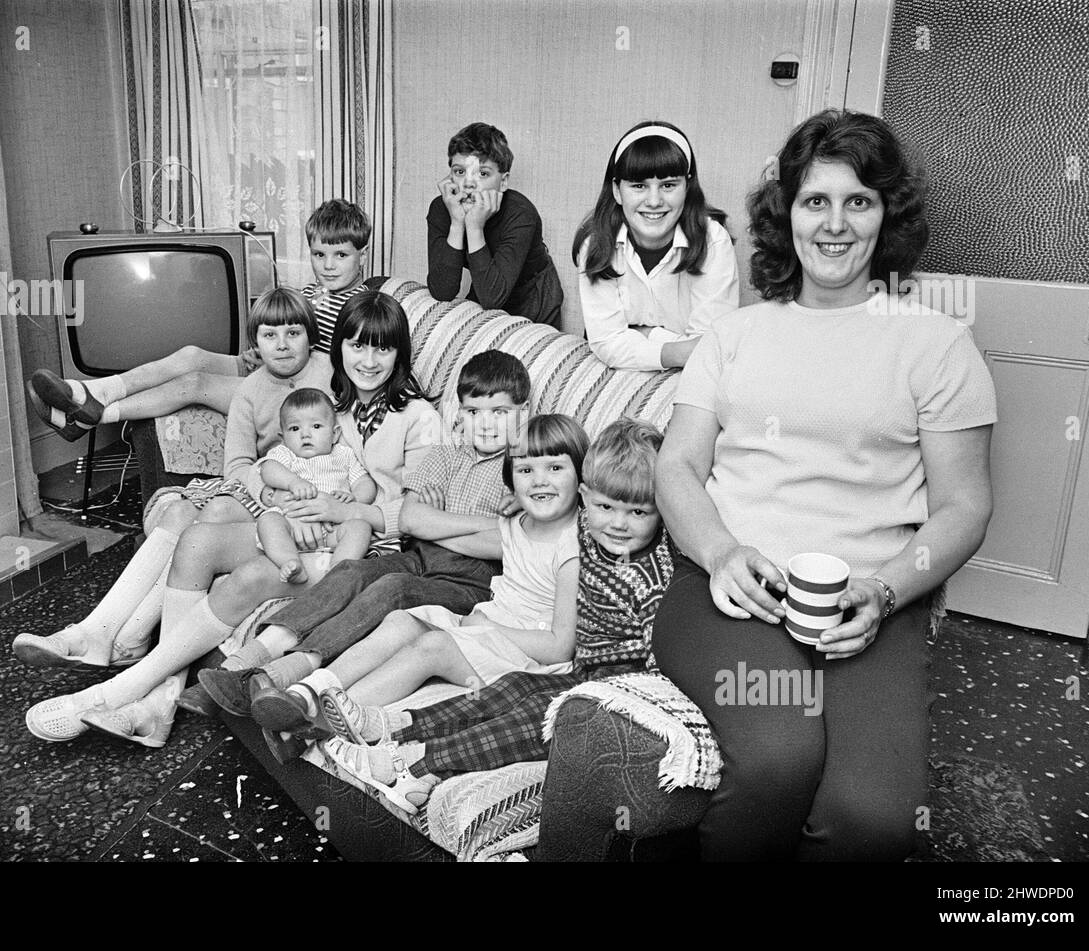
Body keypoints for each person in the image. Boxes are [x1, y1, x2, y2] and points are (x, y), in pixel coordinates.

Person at [651, 109, 997, 860]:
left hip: (873, 601)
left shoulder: (938, 344)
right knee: (779, 756)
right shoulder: (733, 335)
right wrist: (718, 552)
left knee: (875, 817)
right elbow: (675, 465)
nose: (835, 224)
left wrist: (881, 594)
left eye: (858, 201)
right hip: (730, 592)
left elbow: (965, 506)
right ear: (787, 214)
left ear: (887, 214)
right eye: (815, 201)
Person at [22, 290, 441, 746]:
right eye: (357, 345)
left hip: (362, 545)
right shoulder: (331, 401)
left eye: (383, 347)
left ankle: (114, 693)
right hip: (297, 519)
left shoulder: (418, 417)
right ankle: (148, 691)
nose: (368, 360)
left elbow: (418, 513)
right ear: (337, 348)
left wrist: (344, 510)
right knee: (198, 538)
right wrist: (282, 504)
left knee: (246, 567)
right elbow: (275, 457)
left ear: (401, 354)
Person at [320, 418, 673, 813]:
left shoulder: (642, 569)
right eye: (606, 507)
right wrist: (524, 503)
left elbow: (649, 652)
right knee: (511, 690)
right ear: (587, 499)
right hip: (577, 668)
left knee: (532, 715)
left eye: (638, 512)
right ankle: (392, 726)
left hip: (609, 683)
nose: (619, 523)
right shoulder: (586, 536)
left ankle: (414, 763)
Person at [195, 350, 533, 729]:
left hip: (472, 581)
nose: (485, 424)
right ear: (460, 414)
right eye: (473, 412)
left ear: (524, 411)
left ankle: (288, 673)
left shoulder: (524, 469)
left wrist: (438, 523)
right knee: (353, 571)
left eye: (499, 413)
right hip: (419, 556)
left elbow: (507, 545)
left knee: (393, 588)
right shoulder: (445, 455)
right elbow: (410, 519)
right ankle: (249, 660)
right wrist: (473, 525)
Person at [12, 286, 332, 670]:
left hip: (291, 495)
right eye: (270, 336)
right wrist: (264, 487)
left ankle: (126, 638)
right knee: (179, 512)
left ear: (310, 338)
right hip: (259, 486)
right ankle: (95, 630)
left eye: (293, 333)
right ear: (257, 342)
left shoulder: (331, 372)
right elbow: (238, 465)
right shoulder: (252, 388)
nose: (282, 344)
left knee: (210, 513)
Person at [255, 415, 586, 767]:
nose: (539, 481)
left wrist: (485, 628)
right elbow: (442, 532)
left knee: (433, 645)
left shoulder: (572, 550)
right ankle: (307, 691)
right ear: (510, 480)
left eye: (554, 468)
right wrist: (421, 516)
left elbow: (558, 646)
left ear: (581, 476)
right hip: (485, 629)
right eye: (525, 471)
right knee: (401, 620)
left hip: (524, 656)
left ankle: (316, 725)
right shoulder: (518, 525)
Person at [26, 199, 375, 440]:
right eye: (319, 254)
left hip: (297, 390)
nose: (328, 265)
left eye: (340, 255)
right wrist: (263, 351)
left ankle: (92, 418)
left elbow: (341, 368)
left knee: (194, 383)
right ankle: (89, 391)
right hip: (275, 368)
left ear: (363, 254)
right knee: (192, 354)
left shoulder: (361, 306)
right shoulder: (312, 291)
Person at [573, 120, 739, 371]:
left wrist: (647, 334)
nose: (653, 201)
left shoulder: (713, 241)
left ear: (687, 187)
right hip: (620, 374)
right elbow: (607, 343)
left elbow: (711, 349)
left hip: (695, 377)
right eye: (639, 186)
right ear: (617, 191)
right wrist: (675, 348)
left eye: (668, 185)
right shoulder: (595, 245)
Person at [427, 122, 563, 327]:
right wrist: (457, 223)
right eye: (460, 171)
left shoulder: (521, 214)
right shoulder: (442, 208)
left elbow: (493, 299)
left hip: (531, 295)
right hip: (488, 283)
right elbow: (441, 291)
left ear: (504, 181)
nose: (468, 183)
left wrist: (474, 227)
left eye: (482, 174)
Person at [255, 388, 376, 583]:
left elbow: (365, 482)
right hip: (291, 527)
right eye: (295, 429)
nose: (305, 435)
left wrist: (354, 499)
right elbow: (268, 469)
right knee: (268, 522)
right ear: (283, 437)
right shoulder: (286, 454)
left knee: (360, 527)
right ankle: (291, 562)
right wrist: (293, 482)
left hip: (332, 529)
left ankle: (338, 571)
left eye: (316, 426)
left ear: (335, 433)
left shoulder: (343, 455)